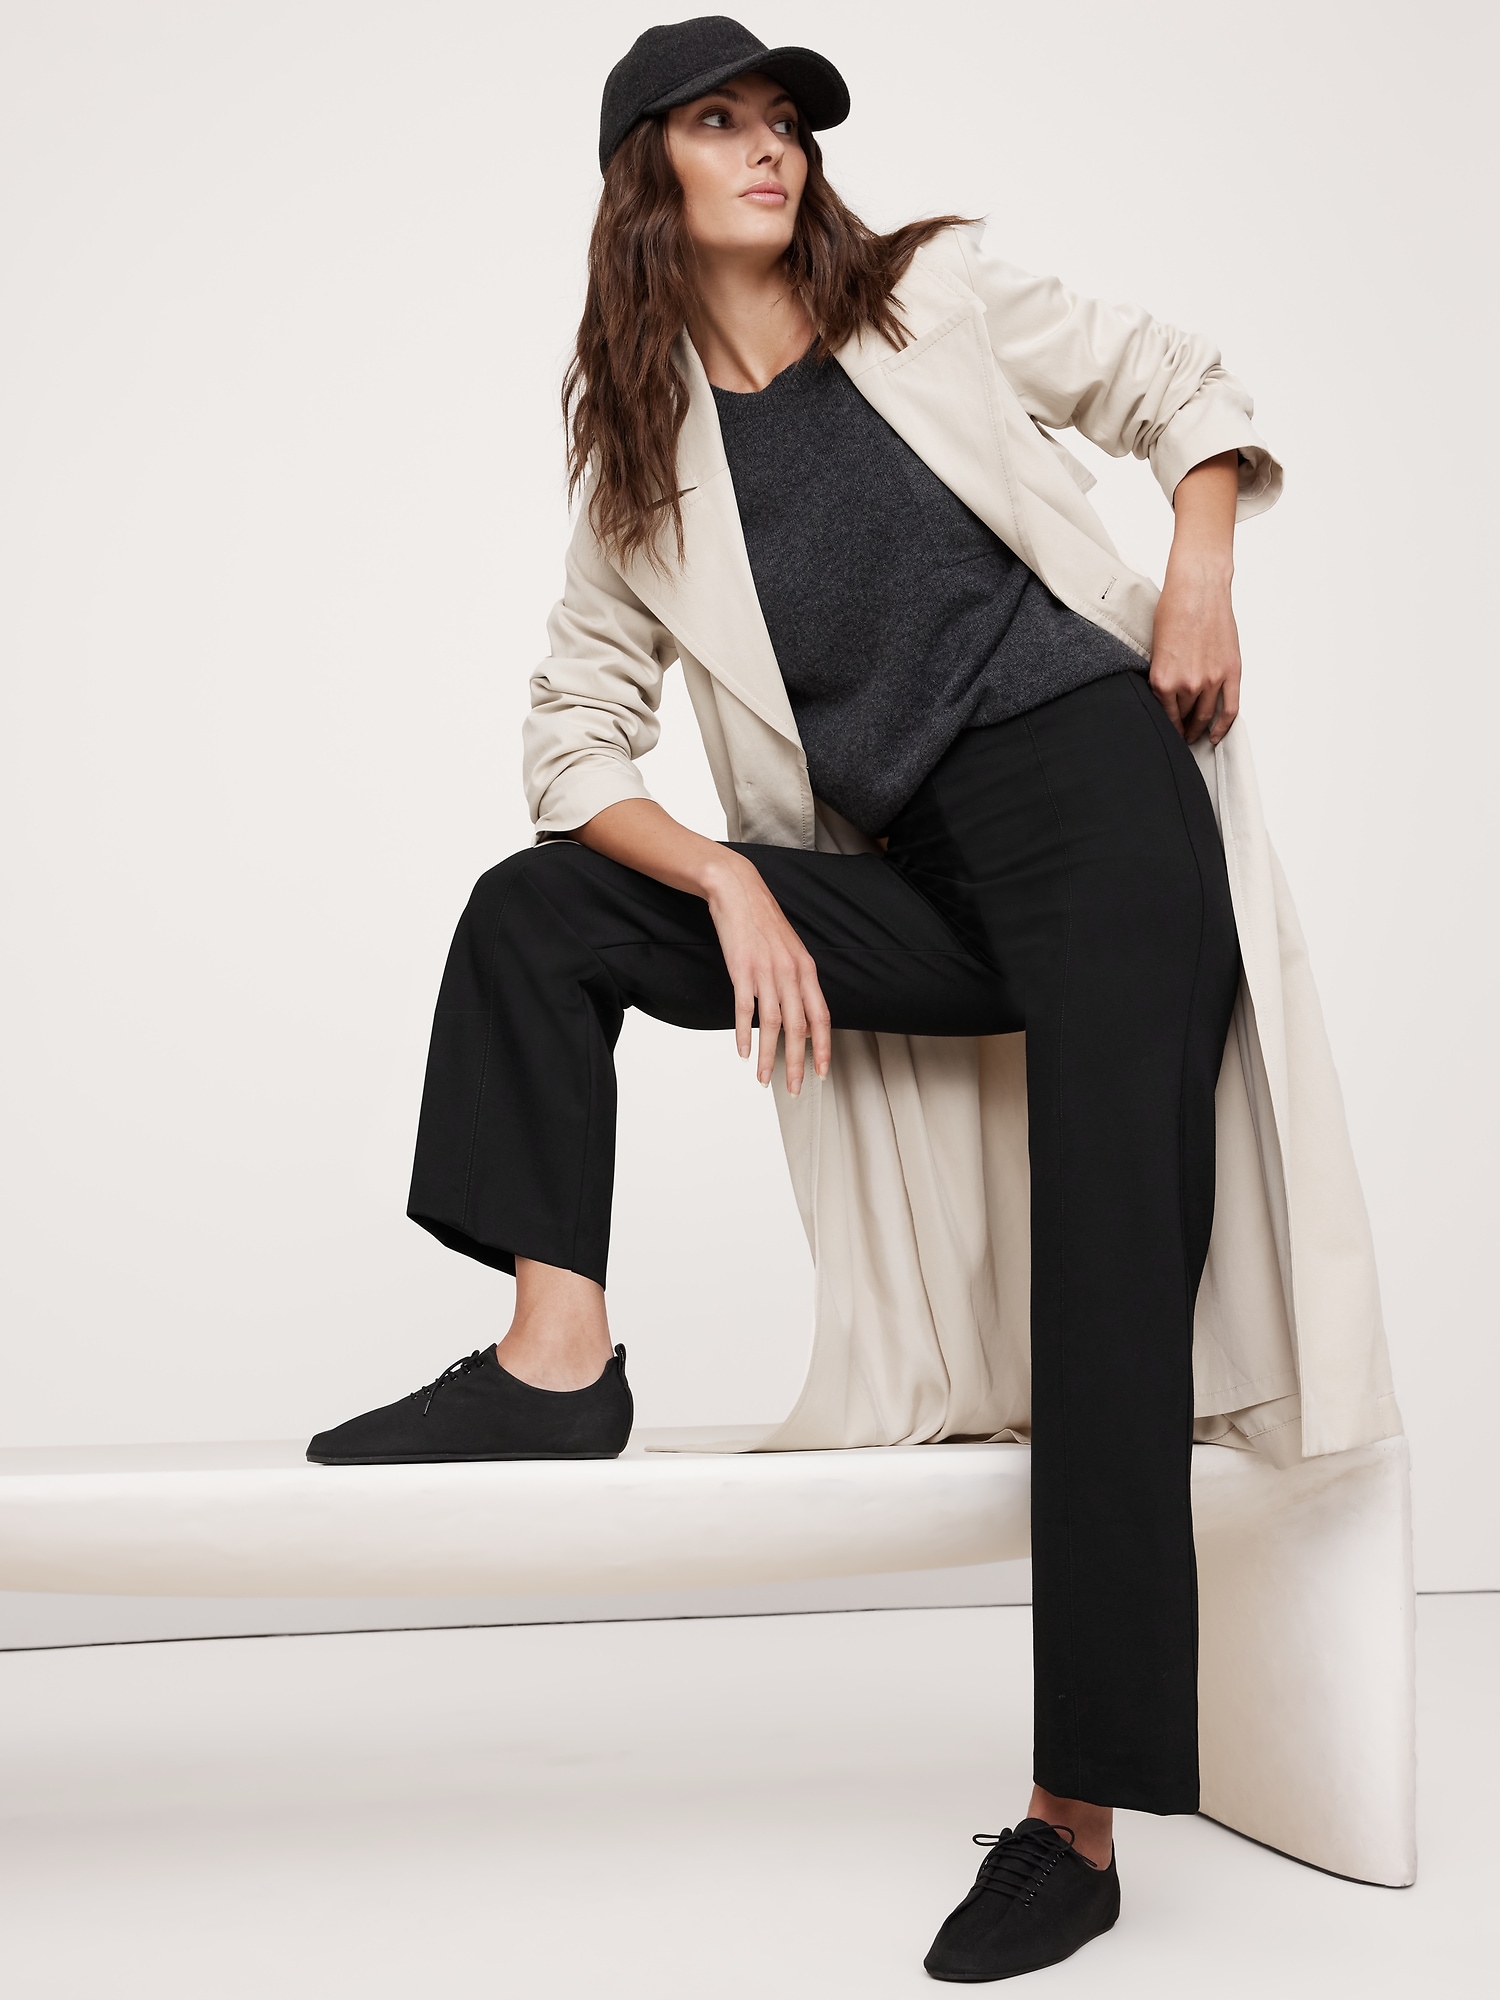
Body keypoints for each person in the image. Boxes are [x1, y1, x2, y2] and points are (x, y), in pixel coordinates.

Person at [308, 16, 1285, 1981]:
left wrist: (1198, 568)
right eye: (721, 122)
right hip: (914, 877)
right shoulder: (643, 466)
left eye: (786, 122)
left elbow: (1177, 381)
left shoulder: (932, 297)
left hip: (1098, 815)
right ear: (647, 179)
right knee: (541, 911)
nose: (771, 148)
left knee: (1104, 1289)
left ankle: (1077, 1826)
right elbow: (572, 739)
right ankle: (556, 1364)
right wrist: (729, 875)